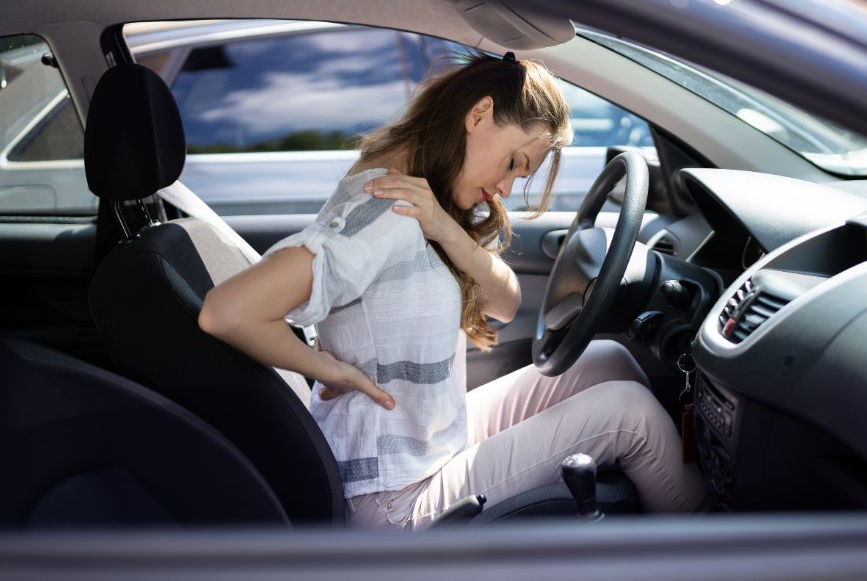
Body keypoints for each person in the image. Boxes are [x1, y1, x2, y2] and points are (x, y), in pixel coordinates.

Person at [198, 52, 707, 529]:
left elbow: (504, 302)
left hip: (427, 445)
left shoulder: (419, 202)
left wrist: (444, 226)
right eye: (514, 163)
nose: (508, 189)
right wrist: (328, 369)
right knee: (631, 415)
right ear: (479, 114)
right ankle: (724, 554)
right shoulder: (386, 210)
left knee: (606, 360)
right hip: (393, 498)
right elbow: (226, 312)